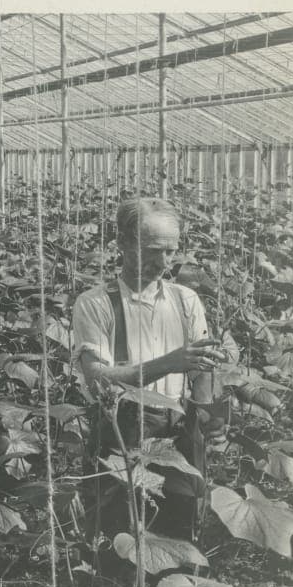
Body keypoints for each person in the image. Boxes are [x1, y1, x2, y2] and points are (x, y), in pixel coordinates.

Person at [71, 198, 228, 543]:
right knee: (117, 538)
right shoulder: (96, 303)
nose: (164, 262)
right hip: (121, 433)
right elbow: (97, 380)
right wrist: (169, 363)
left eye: (171, 251)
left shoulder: (185, 300)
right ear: (123, 243)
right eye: (153, 251)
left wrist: (208, 418)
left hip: (179, 431)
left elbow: (201, 369)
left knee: (178, 538)